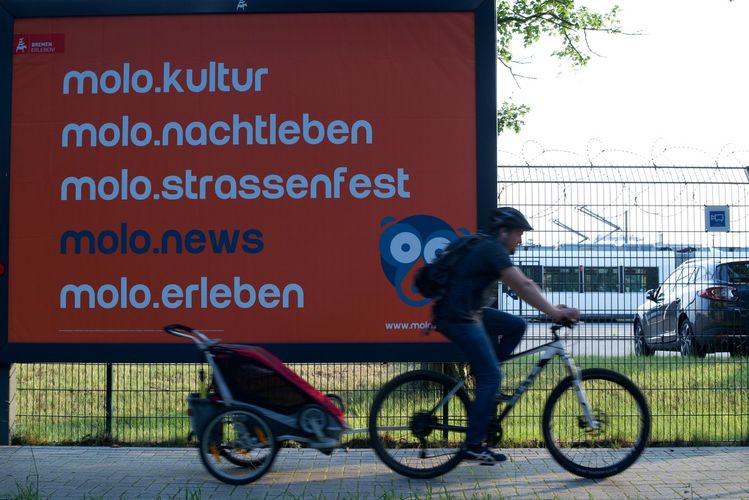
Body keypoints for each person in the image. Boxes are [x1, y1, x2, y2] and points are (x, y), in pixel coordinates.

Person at [432, 207, 580, 464]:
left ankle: (485, 380)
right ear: (503, 232)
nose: (520, 240)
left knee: (517, 325)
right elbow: (521, 286)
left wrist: (553, 308)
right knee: (492, 375)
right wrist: (553, 314)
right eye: (518, 234)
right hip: (458, 316)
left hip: (471, 312)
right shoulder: (492, 250)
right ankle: (473, 445)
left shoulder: (493, 249)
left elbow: (527, 284)